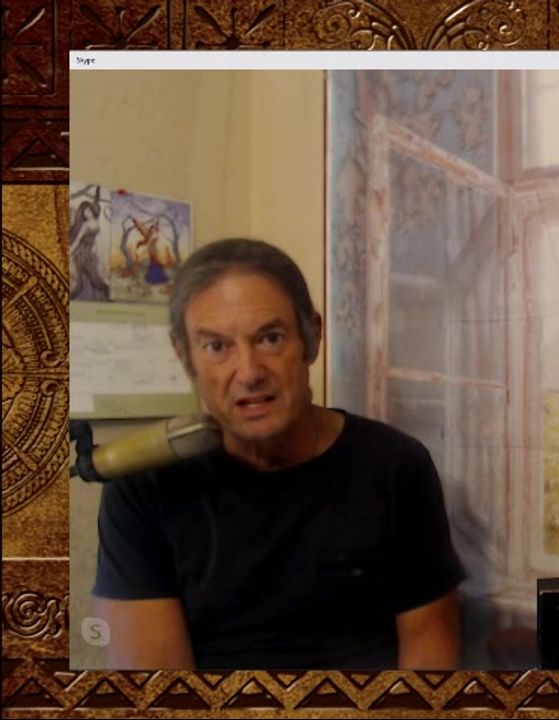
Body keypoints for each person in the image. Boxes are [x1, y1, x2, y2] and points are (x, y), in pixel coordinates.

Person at [91, 238, 465, 670]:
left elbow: (429, 658)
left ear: (312, 337)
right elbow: (157, 691)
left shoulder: (396, 466)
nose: (249, 372)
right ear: (185, 355)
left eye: (270, 338)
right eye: (216, 347)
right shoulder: (144, 484)